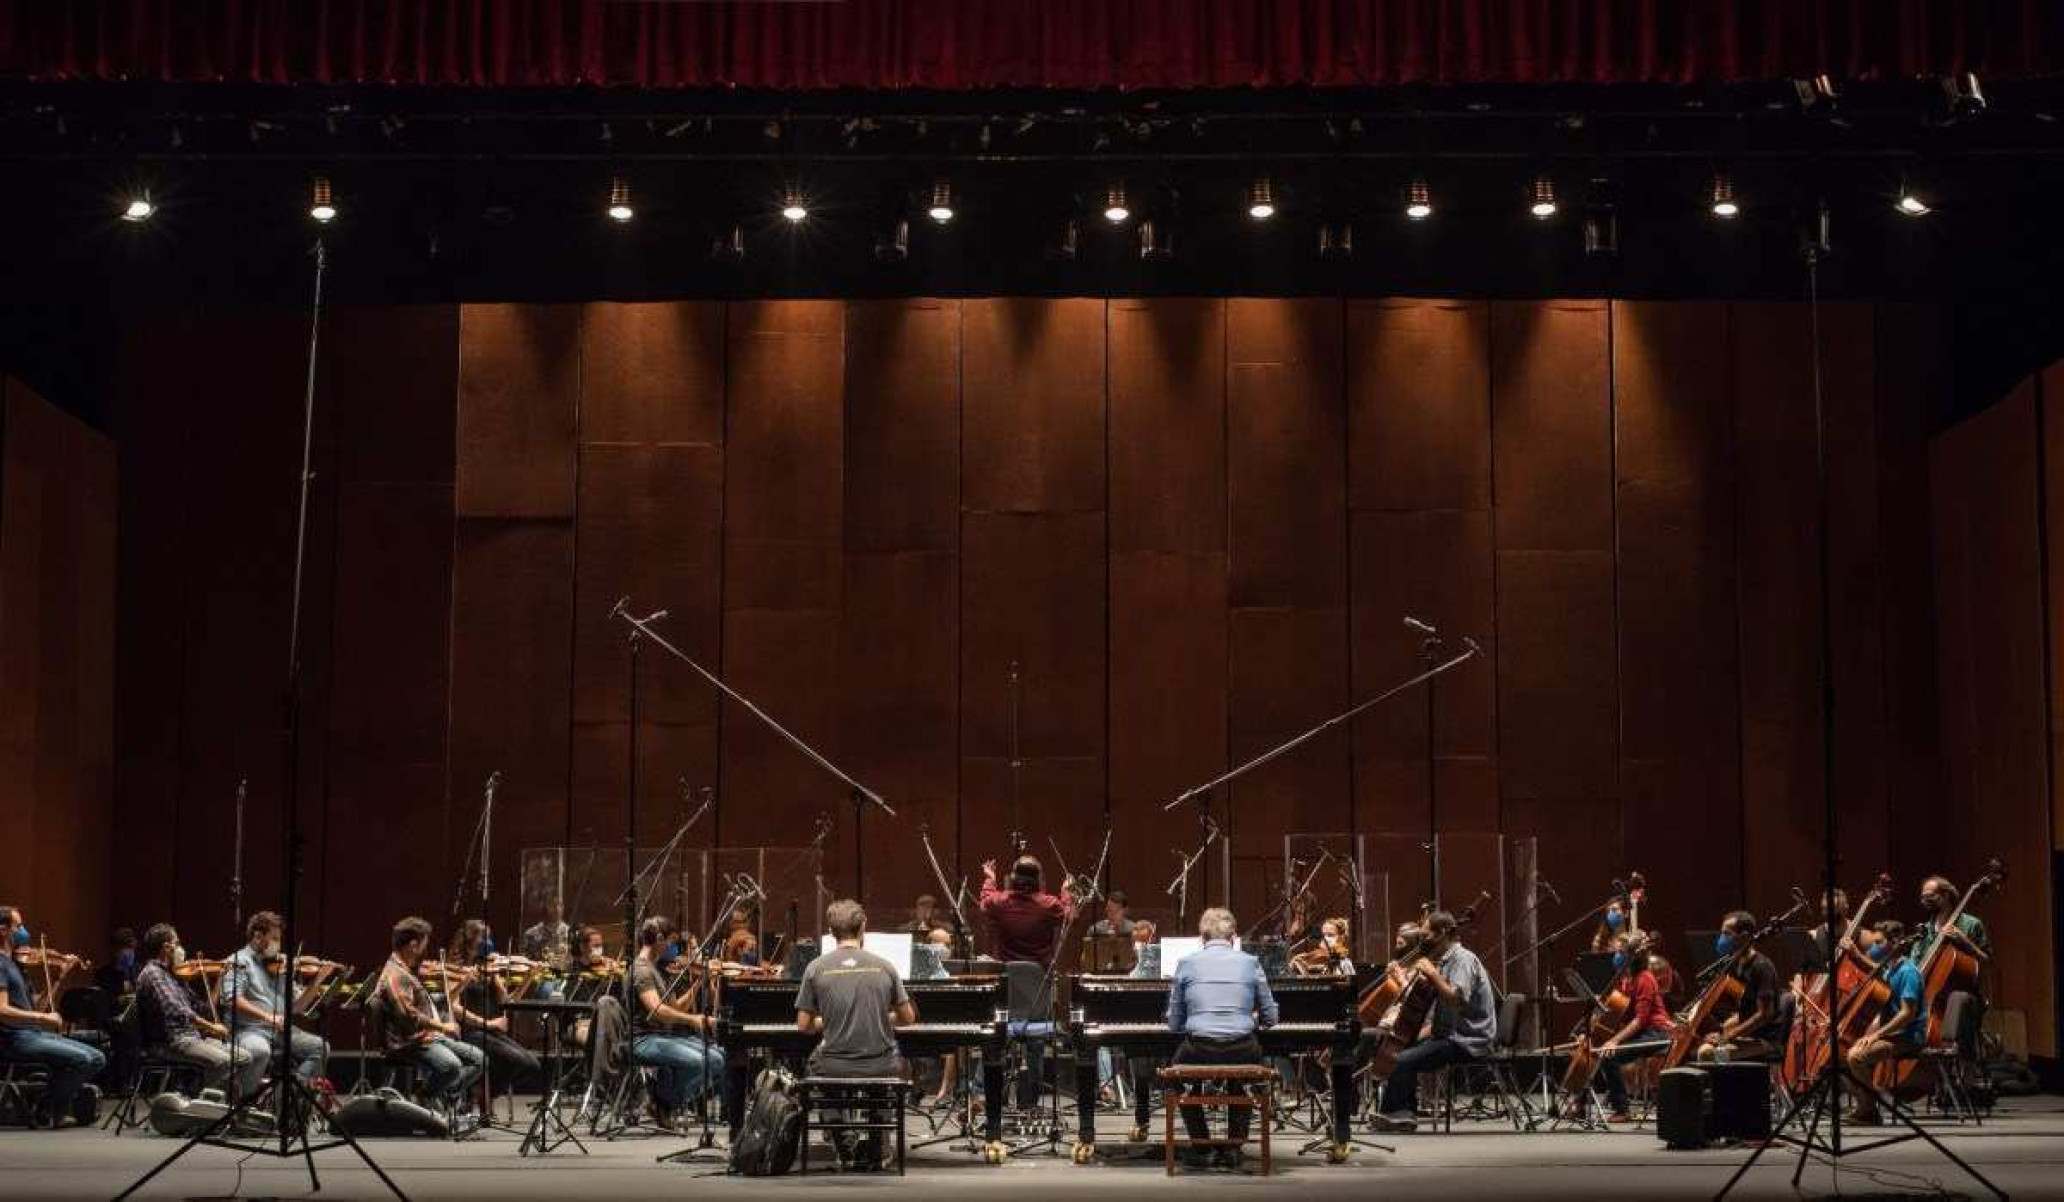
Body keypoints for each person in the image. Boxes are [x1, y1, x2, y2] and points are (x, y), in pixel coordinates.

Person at [797, 899, 917, 1169]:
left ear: (830, 930)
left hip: (834, 1063)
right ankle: (876, 1149)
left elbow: (803, 1025)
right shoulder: (885, 966)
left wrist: (828, 1020)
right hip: (880, 1063)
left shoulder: (815, 968)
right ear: (864, 926)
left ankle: (845, 1146)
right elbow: (908, 1019)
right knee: (891, 1063)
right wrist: (880, 1016)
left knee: (816, 1065)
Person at [1164, 907, 1276, 1169]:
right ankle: (1234, 1148)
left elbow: (1173, 1023)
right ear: (1234, 936)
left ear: (1202, 937)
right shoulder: (1251, 963)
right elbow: (1271, 1016)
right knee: (1244, 1076)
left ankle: (1201, 1146)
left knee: (1172, 1081)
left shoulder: (1186, 963)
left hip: (1199, 1046)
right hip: (1242, 1046)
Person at [1370, 909, 1496, 1134]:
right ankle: (1401, 1113)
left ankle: (1399, 1114)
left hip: (1467, 1039)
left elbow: (1457, 1000)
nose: (1423, 941)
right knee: (1397, 1050)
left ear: (1444, 933)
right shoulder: (1442, 960)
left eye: (1427, 936)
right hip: (1446, 1034)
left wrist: (1432, 974)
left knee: (1402, 1060)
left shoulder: (1462, 959)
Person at [0, 905, 105, 1127]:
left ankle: (44, 1102)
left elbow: (36, 1007)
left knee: (97, 1057)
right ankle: (46, 1109)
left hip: (32, 1033)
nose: (24, 931)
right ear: (3, 930)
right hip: (13, 1039)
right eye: (18, 926)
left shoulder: (17, 964)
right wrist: (44, 1019)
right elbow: (2, 1011)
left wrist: (57, 979)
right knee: (82, 1059)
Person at [135, 922, 263, 1098]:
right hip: (169, 1042)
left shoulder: (174, 975)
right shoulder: (153, 973)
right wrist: (211, 1028)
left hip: (191, 1037)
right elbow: (176, 1009)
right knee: (223, 1061)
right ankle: (202, 1111)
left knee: (245, 1057)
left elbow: (203, 1009)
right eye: (177, 943)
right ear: (167, 947)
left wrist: (219, 978)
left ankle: (220, 1102)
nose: (181, 948)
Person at [374, 916, 485, 1110]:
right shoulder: (395, 974)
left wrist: (461, 983)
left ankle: (439, 1093)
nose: (426, 949)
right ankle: (425, 1096)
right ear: (414, 945)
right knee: (451, 1066)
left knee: (479, 1059)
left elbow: (428, 1004)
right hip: (409, 1042)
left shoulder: (406, 970)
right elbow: (409, 1016)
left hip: (426, 1036)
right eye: (424, 943)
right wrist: (443, 1026)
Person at [628, 916, 726, 1131]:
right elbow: (658, 1010)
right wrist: (694, 1019)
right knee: (703, 1061)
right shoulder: (642, 970)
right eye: (670, 942)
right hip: (642, 1039)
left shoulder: (655, 969)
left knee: (718, 1058)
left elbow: (677, 1008)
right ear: (659, 938)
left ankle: (663, 1100)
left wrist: (701, 980)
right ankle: (665, 1102)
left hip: (661, 1036)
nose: (672, 947)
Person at [223, 911, 329, 1089]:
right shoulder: (239, 961)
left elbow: (296, 1007)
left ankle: (290, 1095)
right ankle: (245, 1104)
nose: (278, 945)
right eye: (274, 938)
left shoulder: (279, 966)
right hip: (249, 1029)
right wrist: (267, 1017)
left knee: (320, 1047)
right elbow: (233, 999)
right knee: (260, 1051)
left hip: (279, 1031)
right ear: (257, 936)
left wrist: (317, 981)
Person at [1577, 934, 1675, 1122]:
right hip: (1642, 1032)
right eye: (1617, 952)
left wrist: (1614, 1040)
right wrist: (1586, 1032)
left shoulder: (1645, 979)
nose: (1617, 956)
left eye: (1621, 952)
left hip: (1657, 1033)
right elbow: (1613, 1013)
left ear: (1633, 956)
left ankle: (1622, 1109)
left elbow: (1640, 1020)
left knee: (1609, 1055)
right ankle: (1579, 1102)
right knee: (1595, 1050)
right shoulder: (1625, 980)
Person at [1846, 920, 1928, 1124]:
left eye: (1879, 943)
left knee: (1856, 1057)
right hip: (1892, 1034)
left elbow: (1907, 1014)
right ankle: (1869, 1102)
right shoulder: (1890, 968)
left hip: (1907, 1036)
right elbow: (1874, 969)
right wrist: (1855, 955)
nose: (1873, 948)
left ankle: (1869, 1110)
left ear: (1895, 942)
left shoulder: (1908, 972)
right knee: (1840, 1055)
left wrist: (1877, 1034)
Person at [447, 919, 541, 1092]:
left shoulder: (489, 968)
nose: (488, 942)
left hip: (492, 1031)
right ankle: (480, 1099)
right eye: (483, 937)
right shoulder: (456, 968)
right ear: (469, 941)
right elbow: (454, 1007)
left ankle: (484, 1096)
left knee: (531, 1064)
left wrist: (529, 977)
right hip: (471, 1031)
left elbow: (507, 1002)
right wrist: (488, 1023)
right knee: (514, 1060)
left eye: (488, 937)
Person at [1696, 911, 1784, 1064]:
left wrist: (1727, 1036)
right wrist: (1720, 1030)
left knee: (1707, 1055)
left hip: (1764, 1040)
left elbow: (1764, 1015)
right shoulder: (1736, 964)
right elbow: (1745, 1010)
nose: (1722, 939)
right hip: (1747, 1036)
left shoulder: (1762, 967)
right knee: (1697, 1045)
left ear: (1744, 937)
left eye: (1727, 934)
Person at [977, 855, 1078, 964]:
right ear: (1039, 879)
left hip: (1007, 975)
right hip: (1040, 977)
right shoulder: (1049, 905)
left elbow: (985, 900)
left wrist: (990, 879)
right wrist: (1067, 892)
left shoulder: (999, 902)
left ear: (1013, 878)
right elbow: (1070, 916)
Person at [1916, 876, 1992, 965]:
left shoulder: (1972, 924)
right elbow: (1915, 966)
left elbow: (1988, 962)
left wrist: (1965, 942)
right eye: (1923, 897)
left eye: (1930, 896)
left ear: (1946, 895)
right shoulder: (1924, 930)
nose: (1924, 901)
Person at [520, 898, 571, 964]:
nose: (557, 909)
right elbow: (523, 958)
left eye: (560, 905)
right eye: (553, 905)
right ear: (546, 907)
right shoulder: (532, 933)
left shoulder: (570, 933)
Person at [93, 927, 140, 998]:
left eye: (132, 948)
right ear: (115, 951)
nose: (130, 953)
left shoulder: (139, 971)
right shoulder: (103, 975)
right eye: (125, 948)